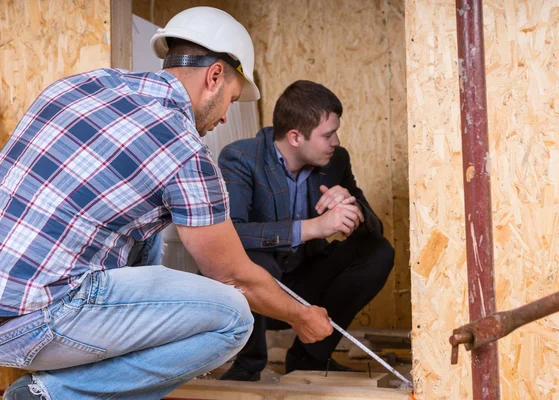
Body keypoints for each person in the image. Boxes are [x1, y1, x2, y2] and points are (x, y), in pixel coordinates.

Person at [0, 8, 332, 400]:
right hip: (38, 323)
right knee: (232, 318)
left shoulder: (83, 85)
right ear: (214, 76)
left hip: (11, 301)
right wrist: (301, 316)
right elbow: (234, 278)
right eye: (232, 99)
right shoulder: (184, 149)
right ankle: (54, 394)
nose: (226, 117)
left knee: (148, 231)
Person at [217, 80, 395, 381]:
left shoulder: (336, 160)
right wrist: (313, 228)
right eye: (328, 135)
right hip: (257, 291)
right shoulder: (241, 158)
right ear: (296, 136)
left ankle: (310, 357)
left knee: (378, 252)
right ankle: (247, 366)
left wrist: (353, 208)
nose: (336, 141)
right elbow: (231, 235)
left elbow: (374, 228)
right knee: (256, 259)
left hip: (304, 281)